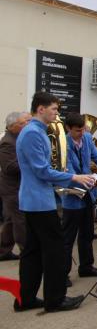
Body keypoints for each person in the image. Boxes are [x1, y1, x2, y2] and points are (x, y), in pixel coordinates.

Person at [16, 92, 94, 312]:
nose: (57, 114)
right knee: (55, 250)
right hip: (39, 201)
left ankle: (26, 298)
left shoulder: (36, 131)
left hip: (35, 199)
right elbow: (42, 170)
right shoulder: (33, 133)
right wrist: (73, 177)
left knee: (32, 251)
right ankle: (55, 299)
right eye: (54, 109)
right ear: (41, 109)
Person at [62, 113, 97, 287]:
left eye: (84, 129)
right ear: (68, 129)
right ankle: (62, 273)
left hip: (88, 194)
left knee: (87, 232)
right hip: (72, 194)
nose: (82, 132)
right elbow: (67, 170)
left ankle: (86, 266)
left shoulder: (86, 138)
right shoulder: (64, 143)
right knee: (68, 236)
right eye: (78, 130)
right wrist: (96, 183)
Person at [0, 112, 31, 261]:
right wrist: (31, 162)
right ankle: (27, 251)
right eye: (22, 123)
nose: (26, 125)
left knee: (10, 220)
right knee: (20, 220)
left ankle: (3, 251)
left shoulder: (17, 138)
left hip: (16, 187)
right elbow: (9, 167)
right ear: (13, 126)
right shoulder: (7, 142)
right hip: (11, 188)